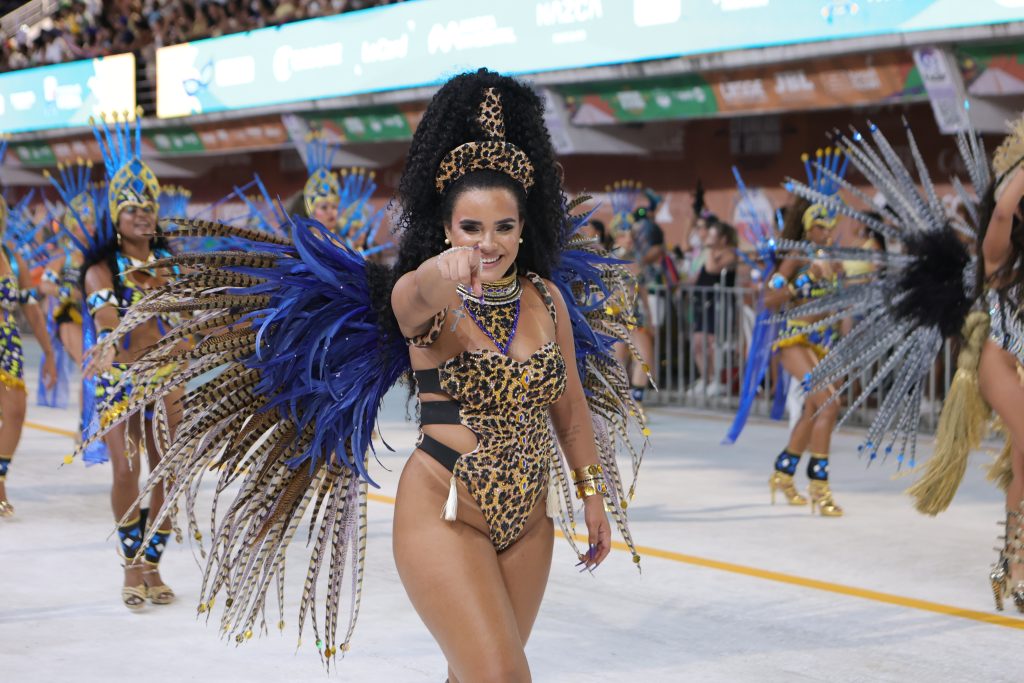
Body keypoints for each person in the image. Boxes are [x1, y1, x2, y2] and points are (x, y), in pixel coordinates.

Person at [74, 69, 647, 677]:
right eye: (470, 228)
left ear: (525, 227)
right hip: (446, 511)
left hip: (531, 520)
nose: (488, 242)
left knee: (474, 673)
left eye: (503, 226)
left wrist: (592, 497)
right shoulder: (423, 294)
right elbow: (413, 296)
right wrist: (440, 270)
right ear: (445, 228)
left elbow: (572, 410)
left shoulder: (548, 299)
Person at [61, 111, 184, 609]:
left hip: (169, 380)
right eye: (132, 207)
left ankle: (153, 563)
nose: (143, 214)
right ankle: (131, 563)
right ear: (116, 215)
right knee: (127, 472)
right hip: (120, 381)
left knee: (169, 475)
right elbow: (106, 316)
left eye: (149, 206)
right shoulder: (99, 271)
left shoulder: (171, 267)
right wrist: (111, 340)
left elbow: (188, 326)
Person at [764, 158, 846, 517]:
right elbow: (770, 298)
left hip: (823, 343)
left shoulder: (835, 261)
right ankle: (820, 487)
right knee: (828, 404)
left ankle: (783, 472)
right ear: (810, 224)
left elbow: (839, 307)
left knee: (815, 409)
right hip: (794, 341)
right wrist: (798, 286)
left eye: (832, 225)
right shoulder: (796, 258)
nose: (828, 231)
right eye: (822, 225)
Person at [0, 140, 58, 517]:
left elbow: (32, 309)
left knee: (16, 413)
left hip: (7, 345)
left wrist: (50, 355)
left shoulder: (11, 257)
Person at [689, 218, 738, 398]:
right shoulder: (707, 252)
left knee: (712, 343)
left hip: (719, 304)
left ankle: (717, 379)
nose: (708, 237)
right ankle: (706, 378)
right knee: (698, 343)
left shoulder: (731, 253)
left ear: (723, 239)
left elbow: (711, 269)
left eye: (712, 234)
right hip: (703, 302)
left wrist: (709, 248)